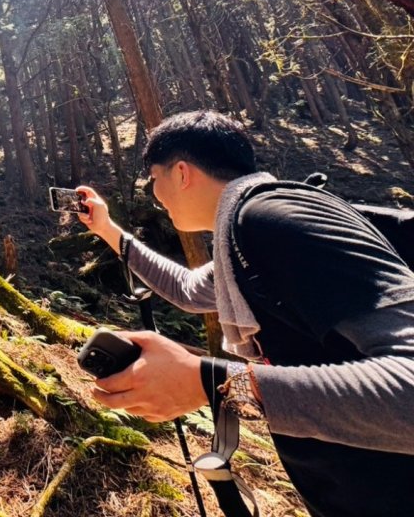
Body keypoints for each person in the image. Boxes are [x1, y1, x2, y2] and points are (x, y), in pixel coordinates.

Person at [76, 110, 414, 517]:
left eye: (154, 181)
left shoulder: (276, 223)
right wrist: (108, 230)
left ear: (181, 173)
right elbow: (186, 290)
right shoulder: (241, 242)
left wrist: (211, 383)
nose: (157, 197)